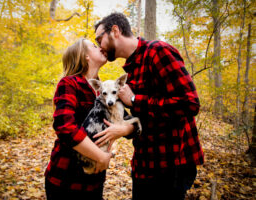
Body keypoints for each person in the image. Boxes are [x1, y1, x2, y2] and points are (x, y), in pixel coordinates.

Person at [93, 13, 204, 200]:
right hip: (145, 164)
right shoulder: (131, 68)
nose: (99, 46)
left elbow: (190, 103)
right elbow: (145, 119)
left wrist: (136, 100)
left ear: (115, 31)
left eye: (99, 39)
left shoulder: (158, 51)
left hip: (171, 166)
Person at [44, 38, 135, 200]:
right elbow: (64, 126)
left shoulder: (105, 91)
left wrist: (124, 129)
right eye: (94, 46)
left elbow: (130, 122)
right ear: (85, 55)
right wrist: (100, 156)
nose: (100, 47)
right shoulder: (70, 84)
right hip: (66, 179)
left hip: (94, 179)